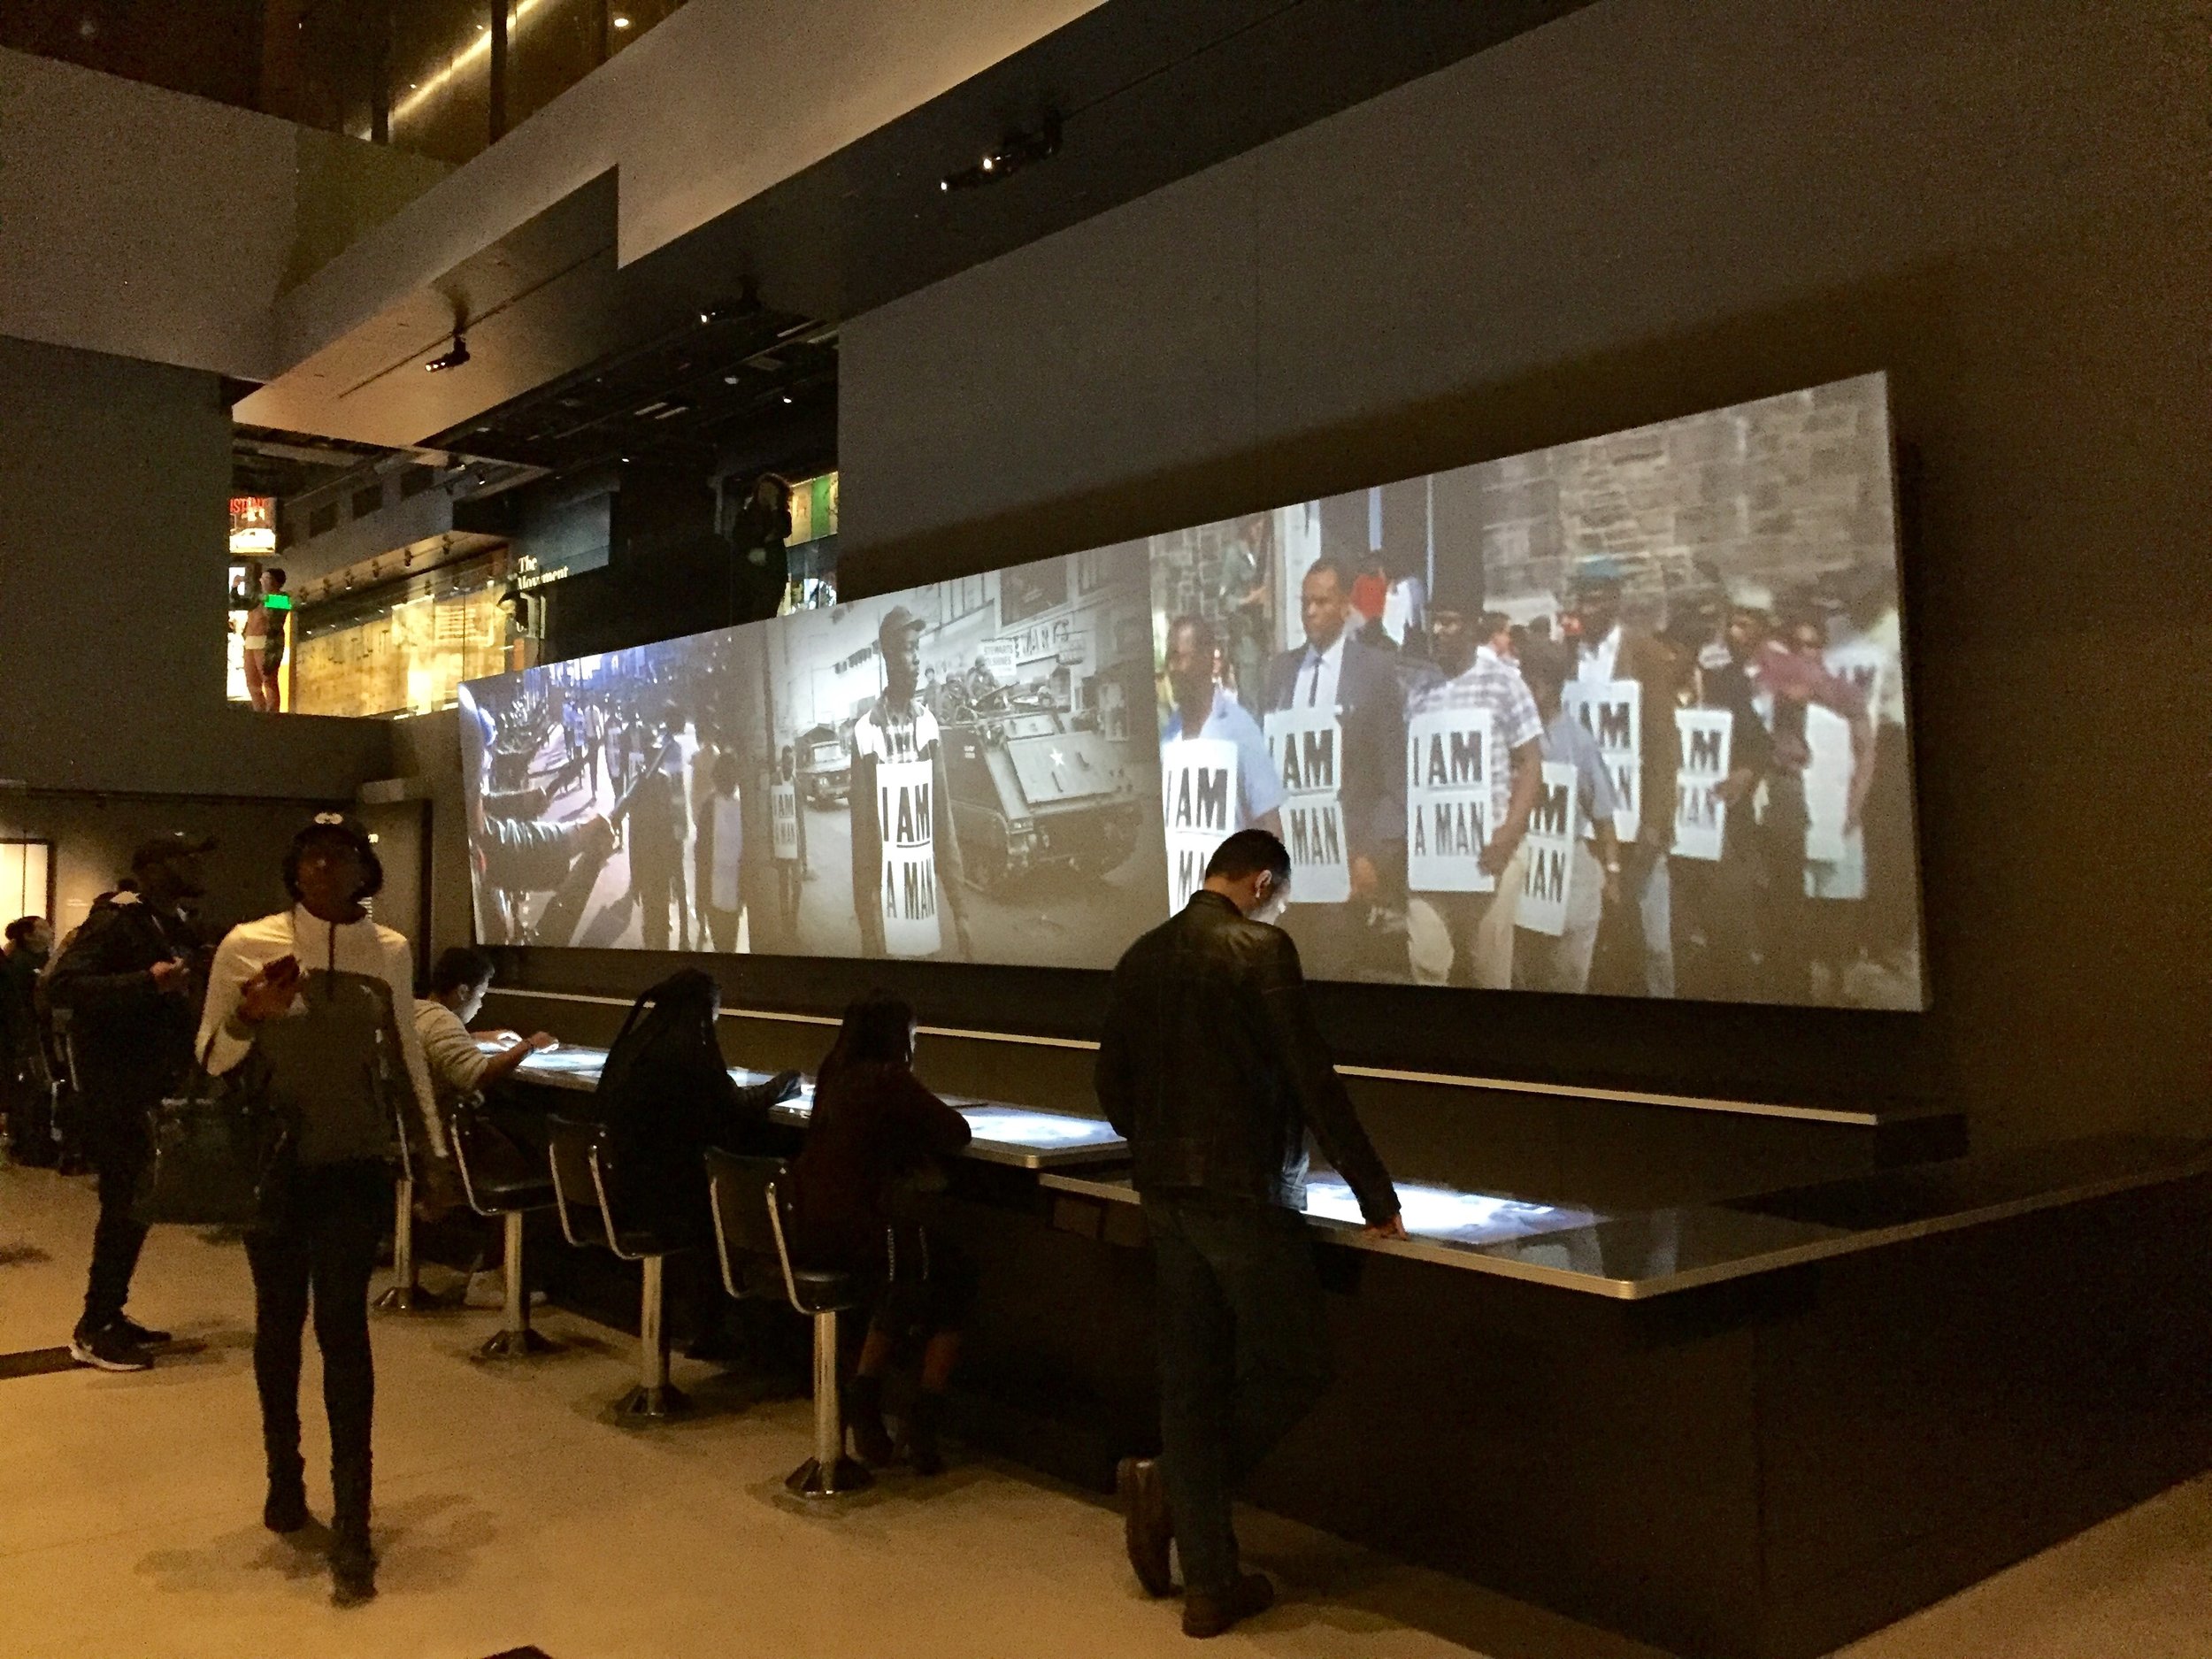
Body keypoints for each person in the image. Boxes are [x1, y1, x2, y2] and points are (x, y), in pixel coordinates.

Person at [1095, 829, 1404, 1640]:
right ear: (1264, 882)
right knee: (1295, 1366)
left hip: (1165, 1190)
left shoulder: (1139, 955)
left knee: (1191, 1383)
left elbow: (1111, 1082)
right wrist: (1375, 1193)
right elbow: (1312, 1077)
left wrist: (1158, 1144)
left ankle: (1210, 1583)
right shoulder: (1262, 950)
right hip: (1247, 1193)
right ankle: (1173, 1494)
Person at [198, 816, 449, 1606]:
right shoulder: (248, 944)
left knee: (345, 1332)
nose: (322, 866)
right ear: (293, 867)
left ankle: (354, 1524)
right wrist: (249, 1016)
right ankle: (284, 1479)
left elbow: (408, 1052)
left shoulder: (392, 951)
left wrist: (433, 1155)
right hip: (272, 1170)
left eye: (340, 854)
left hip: (354, 1170)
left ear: (364, 870)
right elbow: (207, 1055)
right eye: (309, 854)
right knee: (277, 1326)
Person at [43, 835, 214, 1372]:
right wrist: (146, 982)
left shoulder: (169, 923)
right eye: (184, 858)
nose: (194, 867)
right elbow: (62, 986)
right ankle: (94, 1326)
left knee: (136, 1205)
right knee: (123, 1204)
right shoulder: (119, 919)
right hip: (114, 1088)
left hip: (146, 1085)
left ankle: (110, 1313)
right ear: (151, 867)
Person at [787, 992, 975, 1474]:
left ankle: (872, 1396)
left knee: (916, 1268)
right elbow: (955, 1130)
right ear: (899, 1038)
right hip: (864, 1231)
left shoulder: (835, 1075)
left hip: (809, 1227)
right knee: (947, 1273)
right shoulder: (888, 1080)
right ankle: (913, 1414)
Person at [1262, 557, 1408, 980]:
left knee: (1334, 973)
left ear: (1345, 605)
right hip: (1288, 863)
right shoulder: (1279, 672)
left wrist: (1372, 857)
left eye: (1321, 602)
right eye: (1305, 602)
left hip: (1345, 860)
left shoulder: (1374, 671)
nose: (1310, 612)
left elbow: (1393, 777)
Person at [1402, 579, 1544, 989]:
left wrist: (1510, 832)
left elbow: (1532, 762)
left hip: (1491, 852)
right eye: (1435, 622)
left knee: (1488, 972)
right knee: (1426, 963)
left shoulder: (1504, 683)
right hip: (1434, 855)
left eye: (1450, 622)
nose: (1439, 631)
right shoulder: (1420, 692)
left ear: (1472, 625)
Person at [1570, 559, 1685, 999]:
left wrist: (1657, 820)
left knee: (1654, 939)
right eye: (1580, 598)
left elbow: (1662, 747)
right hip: (1588, 823)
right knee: (1598, 933)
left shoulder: (1646, 656)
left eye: (1595, 598)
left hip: (1638, 821)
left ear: (1615, 601)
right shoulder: (1572, 656)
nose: (1585, 607)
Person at [849, 605, 973, 961]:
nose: (916, 658)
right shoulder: (866, 733)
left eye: (918, 647)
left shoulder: (928, 726)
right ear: (888, 655)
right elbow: (861, 833)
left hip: (922, 903)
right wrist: (866, 921)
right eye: (907, 648)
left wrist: (960, 911)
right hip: (884, 907)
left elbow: (942, 817)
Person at [1511, 642, 1623, 994]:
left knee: (1567, 974)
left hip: (1570, 869)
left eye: (1538, 681)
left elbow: (1603, 815)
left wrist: (1613, 872)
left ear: (1556, 685)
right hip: (1520, 863)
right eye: (1524, 679)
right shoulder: (1507, 736)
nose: (1529, 689)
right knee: (1520, 969)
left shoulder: (1580, 742)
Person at [1162, 615, 1283, 835]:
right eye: (1169, 659)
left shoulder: (1239, 729)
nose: (1172, 669)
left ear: (1207, 658)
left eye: (1179, 658)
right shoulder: (1170, 735)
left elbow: (1270, 823)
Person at [2, 916, 55, 1157]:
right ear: (28, 935)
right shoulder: (20, 962)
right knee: (30, 1086)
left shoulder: (42, 959)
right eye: (42, 927)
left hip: (34, 1030)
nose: (49, 931)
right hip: (25, 1031)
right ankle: (28, 1140)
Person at [695, 749, 747, 952]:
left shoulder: (742, 805)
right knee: (721, 944)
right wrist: (701, 897)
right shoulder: (709, 807)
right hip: (713, 891)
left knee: (730, 944)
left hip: (734, 890)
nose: (730, 783)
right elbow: (701, 854)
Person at [241, 567, 290, 713]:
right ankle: (259, 710)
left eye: (266, 578)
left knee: (268, 679)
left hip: (267, 644)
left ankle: (272, 711)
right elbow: (240, 603)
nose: (262, 581)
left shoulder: (282, 599)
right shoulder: (258, 600)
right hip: (250, 643)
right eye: (262, 578)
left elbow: (272, 613)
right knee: (252, 682)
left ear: (275, 582)